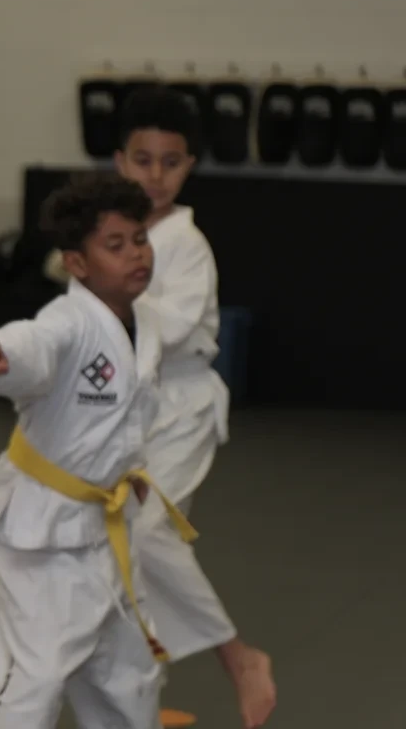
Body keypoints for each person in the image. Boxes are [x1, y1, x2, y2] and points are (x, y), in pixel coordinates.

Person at [0, 172, 192, 729]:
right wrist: (0, 351)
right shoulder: (67, 321)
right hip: (38, 533)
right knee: (32, 680)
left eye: (139, 239)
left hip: (104, 523)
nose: (136, 254)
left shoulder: (146, 323)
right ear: (77, 264)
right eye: (115, 246)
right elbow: (35, 344)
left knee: (125, 673)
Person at [115, 86, 275, 729]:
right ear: (121, 160)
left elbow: (173, 328)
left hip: (180, 407)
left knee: (149, 536)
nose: (156, 174)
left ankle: (239, 657)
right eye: (143, 159)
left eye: (171, 161)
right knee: (117, 548)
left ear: (190, 166)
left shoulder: (188, 243)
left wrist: (110, 301)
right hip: (125, 410)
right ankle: (137, 698)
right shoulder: (113, 234)